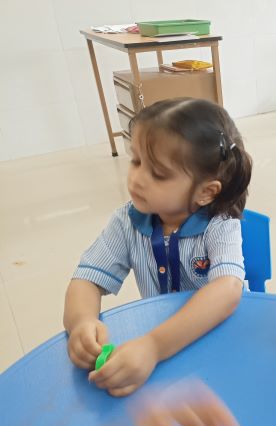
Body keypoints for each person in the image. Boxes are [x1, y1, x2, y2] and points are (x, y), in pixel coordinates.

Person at [63, 98, 253, 397]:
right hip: (164, 348)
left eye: (158, 174)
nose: (137, 178)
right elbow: (86, 280)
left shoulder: (220, 224)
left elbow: (227, 290)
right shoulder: (127, 221)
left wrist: (152, 346)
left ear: (205, 192)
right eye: (136, 161)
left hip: (219, 343)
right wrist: (81, 323)